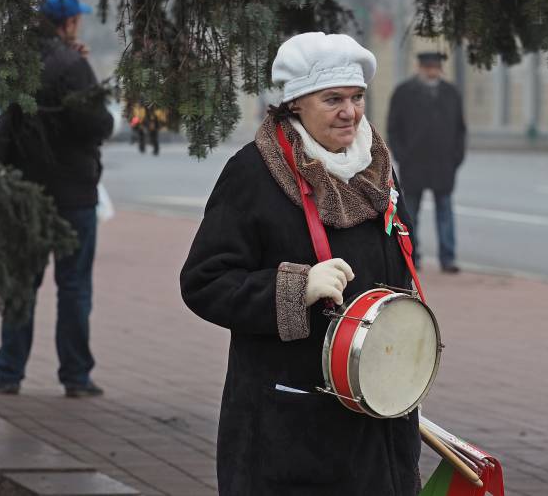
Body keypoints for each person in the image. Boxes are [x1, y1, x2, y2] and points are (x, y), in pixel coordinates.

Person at [180, 32, 421, 495]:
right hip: (288, 425)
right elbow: (204, 282)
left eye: (356, 97)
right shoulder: (254, 172)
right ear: (295, 105)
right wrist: (295, 288)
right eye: (332, 99)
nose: (349, 112)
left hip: (378, 418)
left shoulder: (379, 168)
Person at [0, 0, 113, 397]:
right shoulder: (73, 65)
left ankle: (8, 372)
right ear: (69, 22)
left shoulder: (23, 62)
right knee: (74, 287)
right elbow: (96, 124)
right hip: (73, 194)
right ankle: (75, 377)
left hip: (26, 195)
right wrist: (81, 69)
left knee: (23, 281)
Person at [387, 52, 466, 273]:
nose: (432, 72)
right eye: (428, 67)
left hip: (444, 164)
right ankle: (413, 256)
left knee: (445, 211)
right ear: (420, 67)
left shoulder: (451, 93)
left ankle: (447, 258)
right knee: (410, 213)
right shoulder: (404, 93)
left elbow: (460, 129)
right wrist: (402, 155)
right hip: (414, 164)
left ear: (440, 69)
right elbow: (393, 127)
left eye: (435, 68)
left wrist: (456, 157)